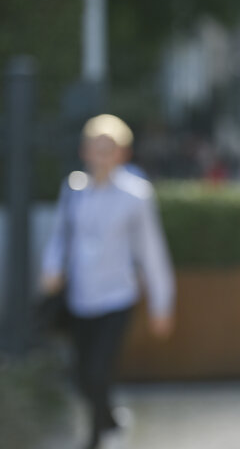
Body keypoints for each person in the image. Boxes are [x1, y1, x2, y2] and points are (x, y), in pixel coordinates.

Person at [40, 114, 175, 449]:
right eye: (96, 148)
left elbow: (152, 252)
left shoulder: (136, 195)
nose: (101, 155)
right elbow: (60, 236)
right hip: (80, 298)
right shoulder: (73, 190)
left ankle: (96, 437)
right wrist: (51, 268)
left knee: (98, 372)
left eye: (109, 148)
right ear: (85, 151)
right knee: (82, 375)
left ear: (122, 153)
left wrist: (162, 303)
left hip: (117, 296)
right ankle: (111, 418)